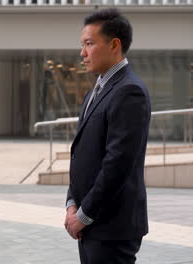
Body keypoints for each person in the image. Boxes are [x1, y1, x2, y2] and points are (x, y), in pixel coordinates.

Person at [64, 8, 151, 264]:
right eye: (82, 44)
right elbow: (82, 153)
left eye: (89, 44)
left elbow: (118, 164)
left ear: (114, 45)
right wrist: (72, 203)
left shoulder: (129, 91)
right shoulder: (96, 91)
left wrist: (83, 214)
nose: (83, 53)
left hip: (112, 227)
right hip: (91, 224)